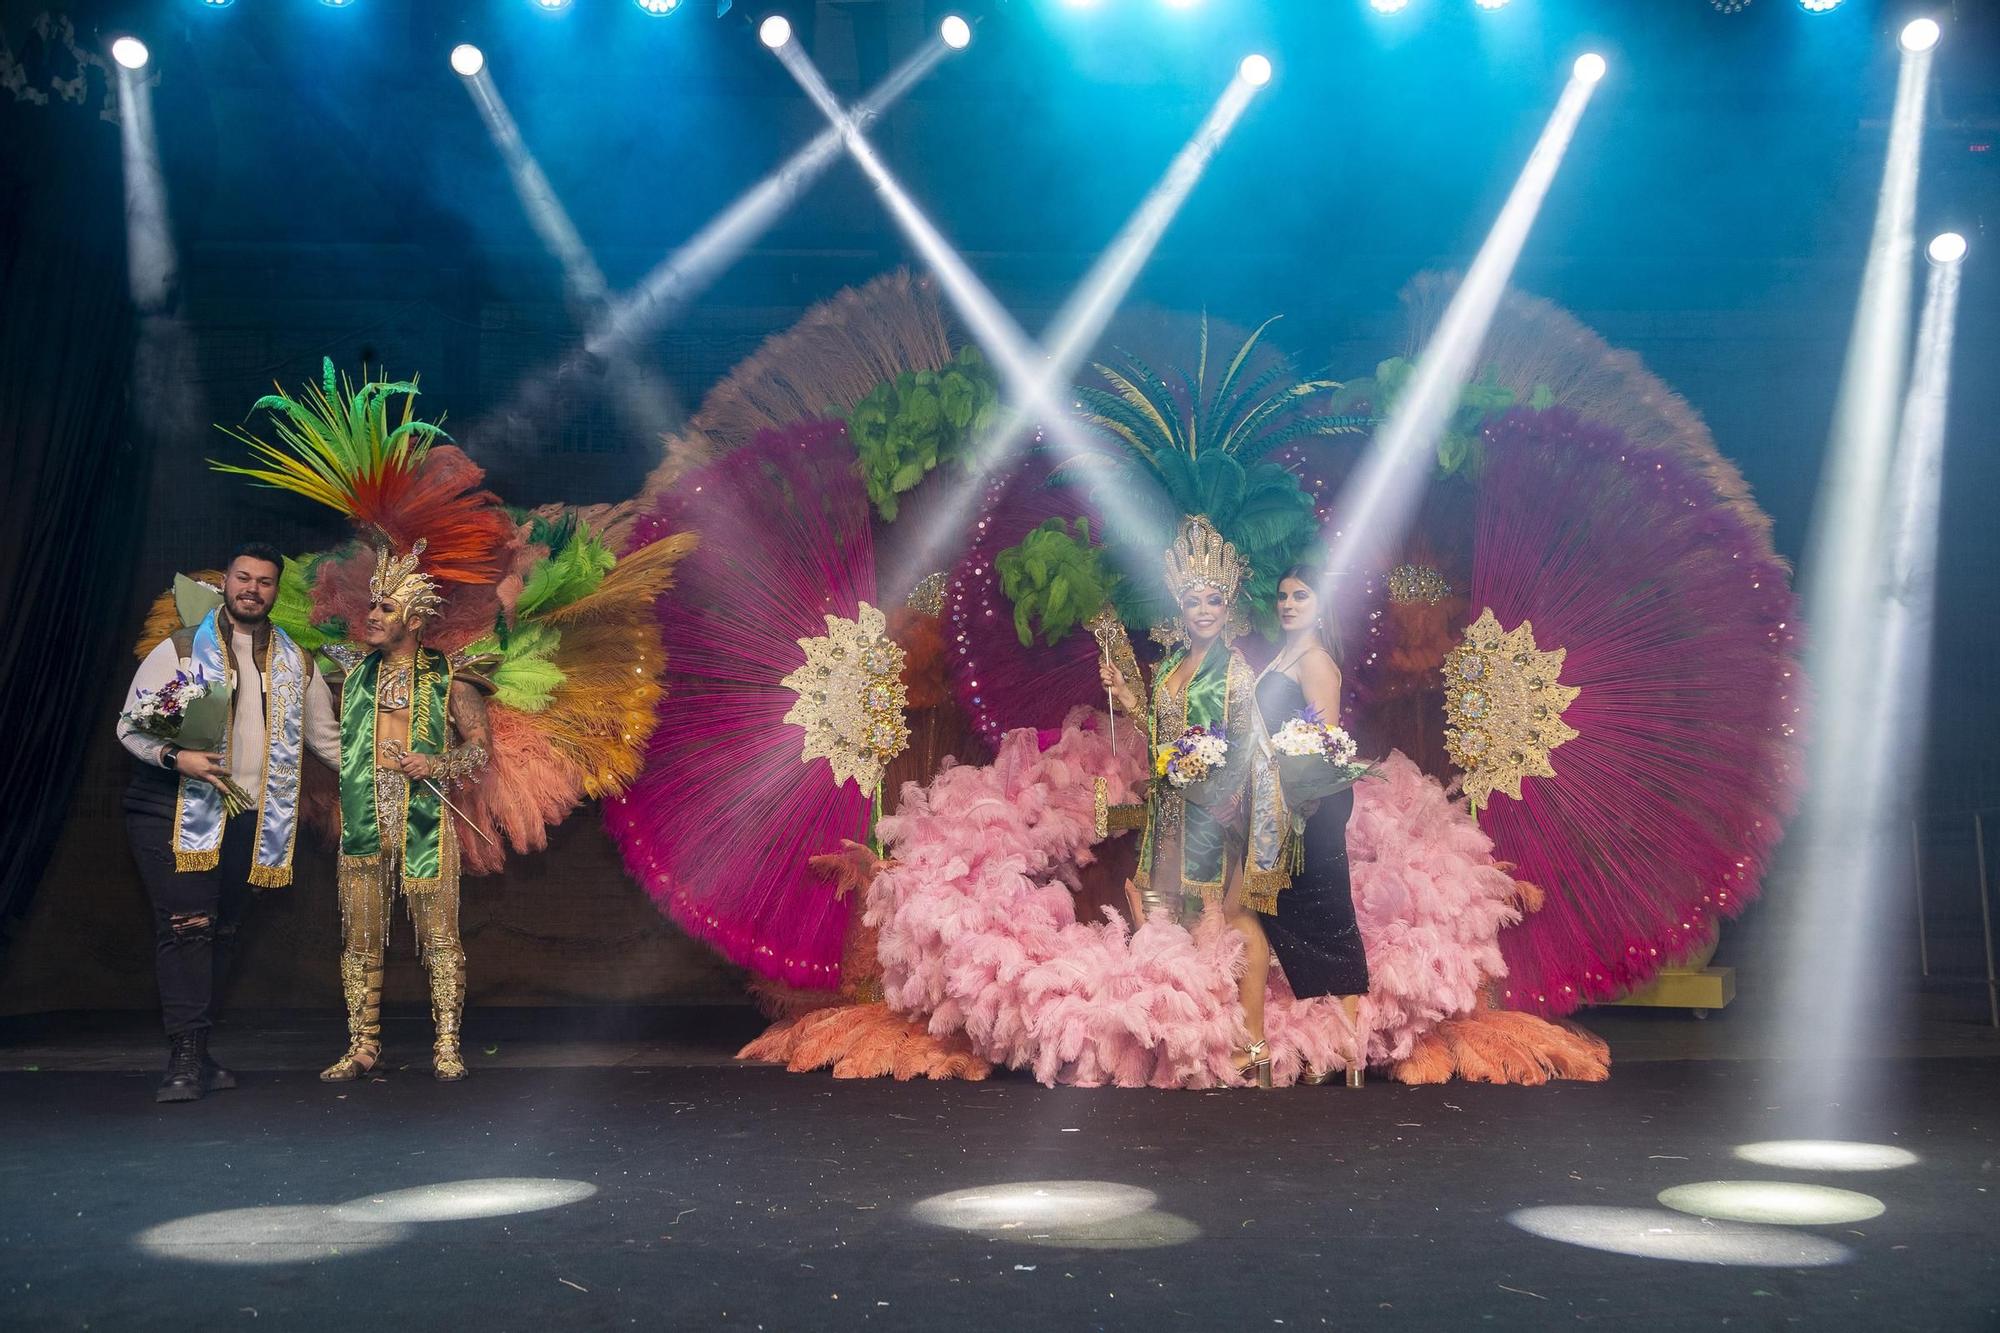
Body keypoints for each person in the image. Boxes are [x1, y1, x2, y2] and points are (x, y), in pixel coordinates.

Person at [119, 542, 340, 1103]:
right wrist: (179, 758)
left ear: (274, 592)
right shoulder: (180, 649)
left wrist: (402, 760)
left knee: (222, 932)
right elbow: (131, 729)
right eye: (244, 578)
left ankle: (198, 1047)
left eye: (265, 582)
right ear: (226, 581)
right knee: (188, 926)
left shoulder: (298, 661)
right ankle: (184, 1059)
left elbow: (329, 743)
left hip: (247, 817)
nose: (253, 589)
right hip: (171, 809)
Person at [1099, 515, 1269, 1085]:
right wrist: (1126, 696)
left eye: (1214, 599)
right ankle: (1181, 1046)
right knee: (1158, 922)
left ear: (1228, 607)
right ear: (1181, 604)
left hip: (1209, 822)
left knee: (1213, 930)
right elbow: (1162, 736)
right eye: (1193, 599)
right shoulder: (1171, 665)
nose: (1203, 609)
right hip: (1165, 818)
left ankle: (1241, 1045)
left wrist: (1219, 800)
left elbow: (1250, 751)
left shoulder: (1237, 675)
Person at [320, 541, 491, 1083]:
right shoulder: (350, 674)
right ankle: (361, 1046)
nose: (372, 616)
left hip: (426, 825)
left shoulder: (452, 676)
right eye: (372, 604)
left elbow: (480, 749)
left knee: (440, 939)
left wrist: (435, 762)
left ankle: (446, 1045)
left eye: (386, 608)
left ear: (414, 620)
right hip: (364, 824)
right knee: (360, 940)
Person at [1244, 564, 1371, 1088]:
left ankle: (1351, 1054)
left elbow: (1324, 743)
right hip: (1281, 803)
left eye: (1300, 595)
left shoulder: (1316, 660)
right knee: (1277, 912)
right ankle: (1320, 1046)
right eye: (1282, 596)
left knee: (1330, 914)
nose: (1288, 604)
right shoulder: (1284, 655)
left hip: (1310, 805)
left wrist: (1297, 797)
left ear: (1321, 604)